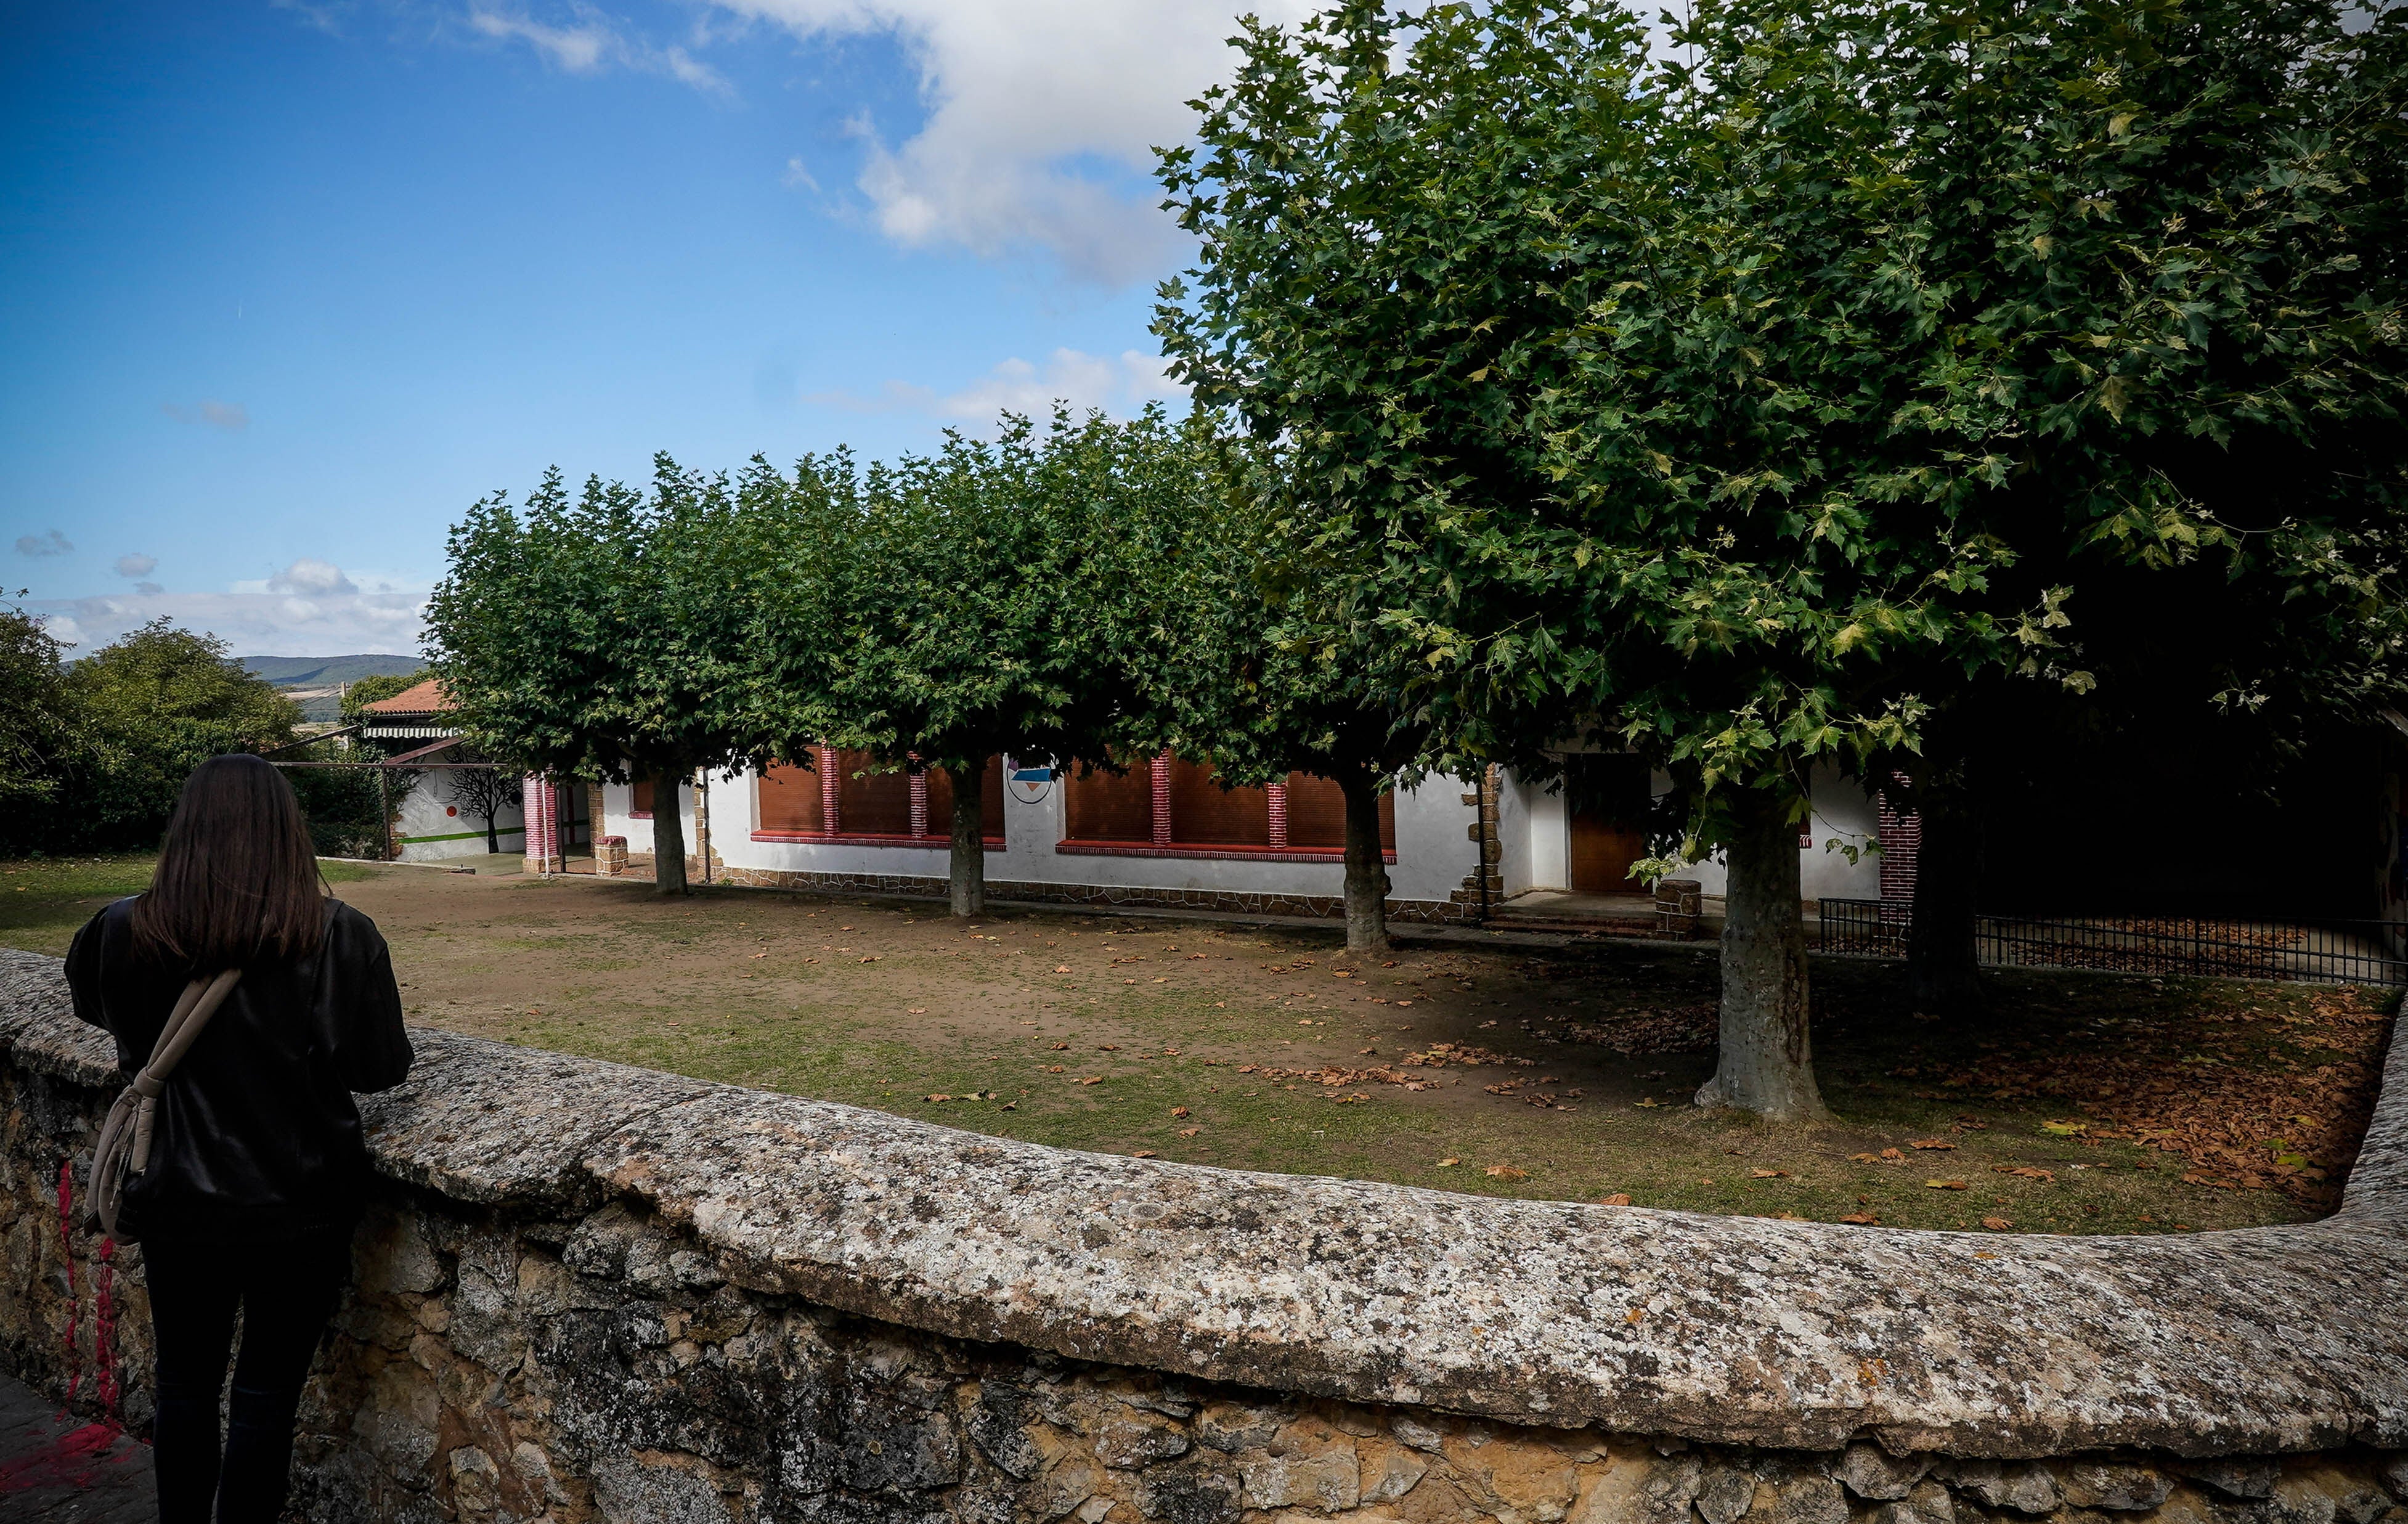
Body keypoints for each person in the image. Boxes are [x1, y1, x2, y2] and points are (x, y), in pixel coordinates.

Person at [65, 752, 413, 1524]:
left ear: (185, 830)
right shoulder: (338, 935)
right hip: (299, 1200)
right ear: (286, 831)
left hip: (172, 1191)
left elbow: (92, 1006)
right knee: (265, 1393)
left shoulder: (119, 929)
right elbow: (380, 1068)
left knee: (184, 1384)